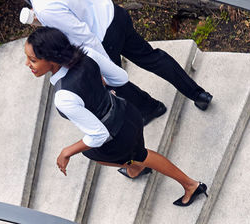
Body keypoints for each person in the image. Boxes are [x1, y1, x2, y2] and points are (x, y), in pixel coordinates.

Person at [0, 0, 214, 126]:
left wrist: (102, 68)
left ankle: (151, 108)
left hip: (101, 39)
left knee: (118, 84)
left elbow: (83, 37)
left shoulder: (45, 5)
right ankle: (198, 94)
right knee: (153, 58)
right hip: (113, 13)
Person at [25, 27, 207, 206]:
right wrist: (102, 87)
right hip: (128, 111)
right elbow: (120, 78)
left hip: (117, 135)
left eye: (32, 60)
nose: (27, 64)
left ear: (51, 59)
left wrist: (67, 152)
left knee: (119, 154)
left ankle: (190, 185)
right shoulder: (85, 53)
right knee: (129, 153)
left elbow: (99, 135)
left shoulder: (63, 97)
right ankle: (135, 167)